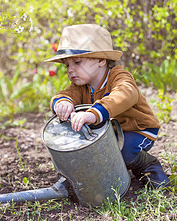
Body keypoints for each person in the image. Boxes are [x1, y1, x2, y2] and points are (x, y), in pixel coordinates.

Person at [45, 23, 170, 188]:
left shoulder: (118, 77)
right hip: (108, 134)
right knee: (95, 157)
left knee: (123, 153)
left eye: (77, 62)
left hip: (136, 129)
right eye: (67, 65)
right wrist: (62, 103)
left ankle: (148, 167)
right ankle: (113, 173)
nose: (70, 70)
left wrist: (94, 113)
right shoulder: (80, 86)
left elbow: (124, 94)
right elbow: (64, 95)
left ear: (101, 60)